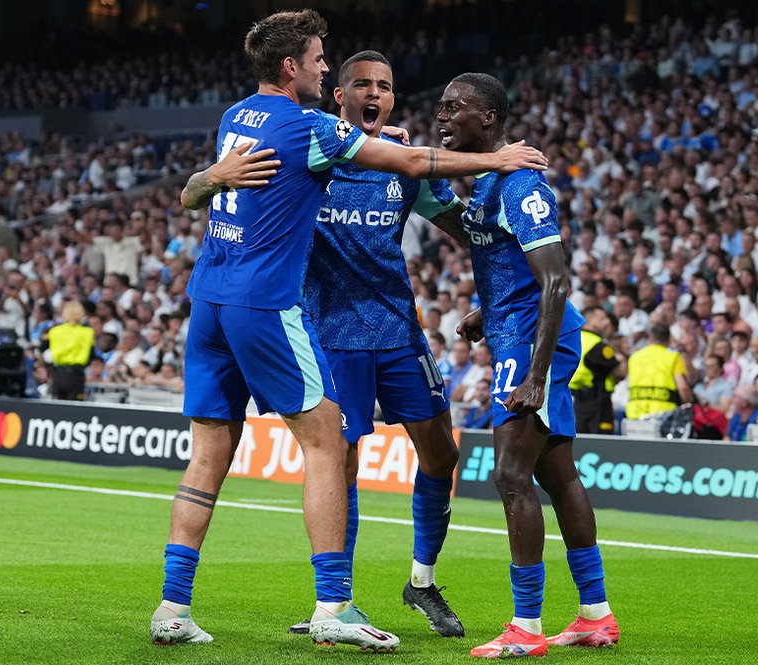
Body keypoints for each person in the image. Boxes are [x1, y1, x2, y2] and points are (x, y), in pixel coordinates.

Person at [151, 10, 546, 651]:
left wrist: (207, 179)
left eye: (383, 85)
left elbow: (195, 192)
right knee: (329, 447)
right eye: (319, 60)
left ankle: (173, 608)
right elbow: (411, 160)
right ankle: (333, 604)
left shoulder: (236, 118)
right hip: (277, 308)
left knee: (210, 454)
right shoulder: (313, 131)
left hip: (217, 299)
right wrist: (494, 158)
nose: (325, 66)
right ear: (297, 69)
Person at [284, 50, 466, 637]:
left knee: (442, 454)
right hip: (332, 334)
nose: (374, 93)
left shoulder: (405, 167)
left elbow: (467, 231)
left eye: (384, 87)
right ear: (338, 97)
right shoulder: (311, 159)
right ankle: (335, 603)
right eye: (361, 84)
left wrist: (507, 283)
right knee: (340, 464)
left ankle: (421, 582)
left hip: (397, 331)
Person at [444, 72, 617, 658]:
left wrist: (536, 375)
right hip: (515, 331)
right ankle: (595, 616)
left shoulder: (520, 184)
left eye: (455, 108)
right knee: (557, 475)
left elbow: (556, 280)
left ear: (488, 118)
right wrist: (485, 310)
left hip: (531, 343)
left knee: (510, 476)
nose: (443, 117)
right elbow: (511, 266)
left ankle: (526, 626)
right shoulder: (490, 181)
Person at [570, 308, 624, 434]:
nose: (607, 323)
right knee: (601, 441)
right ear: (588, 321)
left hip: (573, 398)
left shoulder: (573, 339)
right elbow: (620, 371)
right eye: (602, 319)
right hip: (596, 401)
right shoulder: (598, 345)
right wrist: (619, 357)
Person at [626, 323, 691, 420]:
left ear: (650, 339)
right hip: (663, 416)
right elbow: (683, 388)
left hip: (635, 414)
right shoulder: (673, 357)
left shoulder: (634, 357)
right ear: (669, 339)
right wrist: (689, 405)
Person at [44, 300, 94, 401]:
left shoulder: (54, 331)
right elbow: (92, 355)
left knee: (57, 406)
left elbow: (44, 350)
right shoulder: (88, 332)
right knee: (75, 407)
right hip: (77, 375)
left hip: (58, 374)